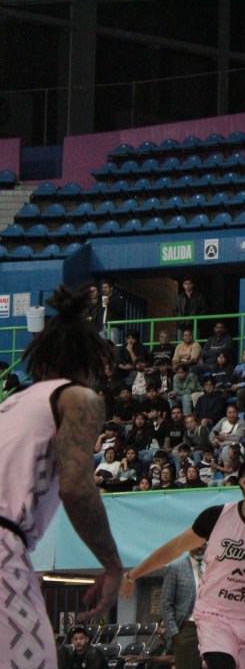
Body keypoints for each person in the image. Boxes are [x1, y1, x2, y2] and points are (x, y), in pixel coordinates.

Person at [0, 286, 124, 667]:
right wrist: (112, 564)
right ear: (92, 363)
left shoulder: (12, 404)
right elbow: (76, 487)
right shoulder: (78, 398)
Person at [120, 457, 245, 669]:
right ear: (244, 482)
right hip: (216, 617)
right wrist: (132, 574)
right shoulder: (216, 516)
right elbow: (174, 548)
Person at [160, 544, 207, 669]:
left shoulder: (214, 567)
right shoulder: (175, 568)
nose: (199, 547)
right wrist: (174, 634)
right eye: (196, 543)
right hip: (187, 629)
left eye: (203, 544)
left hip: (212, 629)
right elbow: (165, 604)